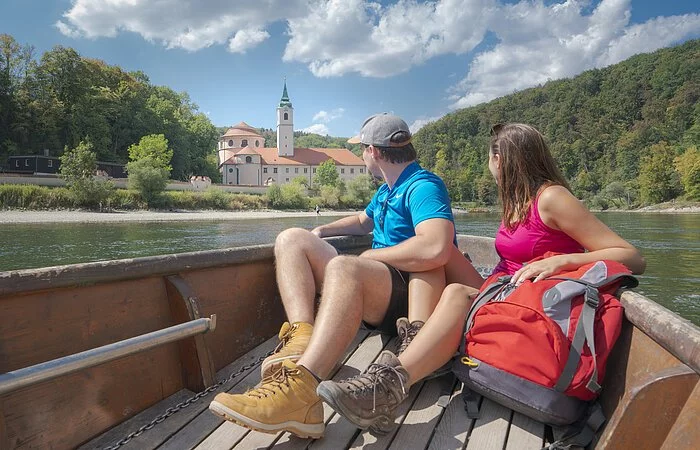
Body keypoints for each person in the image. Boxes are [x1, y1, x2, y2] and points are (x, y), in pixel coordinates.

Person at [315, 122, 646, 432]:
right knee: (439, 252)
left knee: (457, 293)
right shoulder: (517, 199)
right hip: (505, 288)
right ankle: (418, 340)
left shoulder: (551, 198)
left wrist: (565, 261)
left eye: (490, 158)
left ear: (499, 159)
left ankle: (386, 387)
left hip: (532, 298)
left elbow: (632, 257)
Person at [208, 113, 482, 438]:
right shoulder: (386, 191)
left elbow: (436, 248)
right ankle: (302, 335)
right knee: (292, 238)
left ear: (374, 152)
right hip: (379, 283)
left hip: (409, 293)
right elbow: (362, 222)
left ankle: (302, 391)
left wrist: (370, 256)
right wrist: (323, 229)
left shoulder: (423, 187)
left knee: (344, 266)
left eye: (362, 149)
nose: (362, 155)